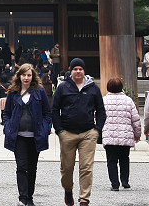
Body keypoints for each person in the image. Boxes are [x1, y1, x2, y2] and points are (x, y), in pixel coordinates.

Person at [51, 58, 106, 206]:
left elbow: (101, 110)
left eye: (80, 69)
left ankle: (84, 200)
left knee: (86, 167)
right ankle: (68, 190)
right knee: (67, 168)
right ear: (71, 70)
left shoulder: (93, 88)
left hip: (88, 132)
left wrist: (97, 129)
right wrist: (59, 130)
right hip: (67, 132)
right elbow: (54, 109)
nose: (78, 71)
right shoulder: (63, 87)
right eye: (75, 69)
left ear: (84, 71)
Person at [2, 63, 52, 206]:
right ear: (19, 76)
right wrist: (7, 126)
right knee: (21, 167)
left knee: (32, 168)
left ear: (33, 76)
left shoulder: (39, 91)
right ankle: (22, 198)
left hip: (35, 135)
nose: (26, 78)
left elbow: (47, 112)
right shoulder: (13, 92)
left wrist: (45, 127)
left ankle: (29, 197)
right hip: (18, 136)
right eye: (23, 75)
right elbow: (7, 113)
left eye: (29, 75)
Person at [101, 77, 141, 191]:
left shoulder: (103, 101)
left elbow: (98, 117)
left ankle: (115, 184)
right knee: (124, 158)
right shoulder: (128, 100)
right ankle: (125, 181)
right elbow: (136, 119)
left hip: (110, 135)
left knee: (111, 161)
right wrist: (137, 134)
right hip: (125, 135)